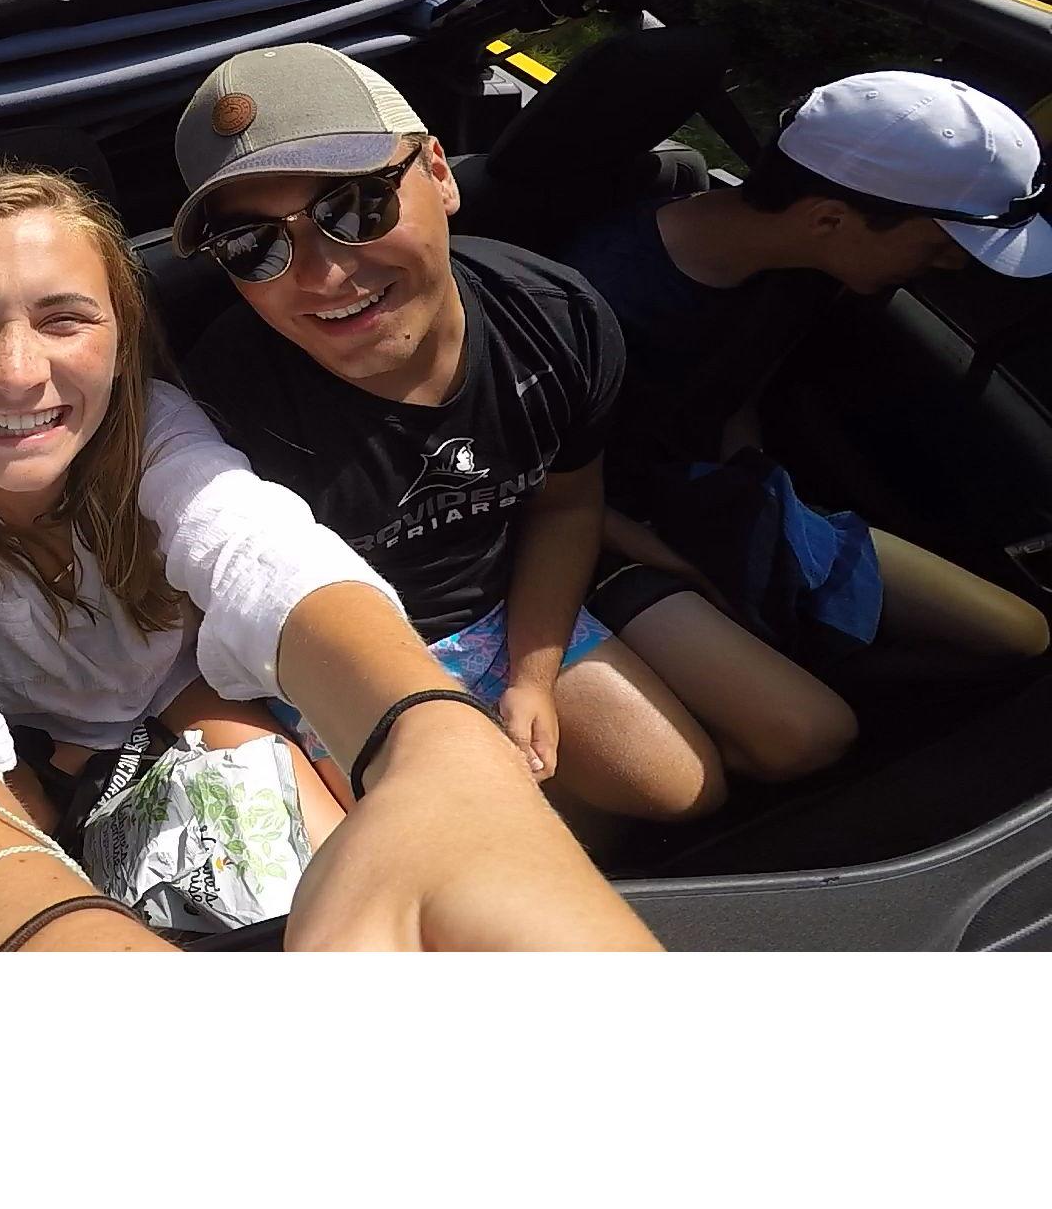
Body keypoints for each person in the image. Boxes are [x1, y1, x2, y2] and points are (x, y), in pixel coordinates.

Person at [0, 151, 658, 950]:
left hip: (191, 693)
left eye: (65, 319)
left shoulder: (157, 433)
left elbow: (260, 549)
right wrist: (28, 929)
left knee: (316, 876)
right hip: (15, 754)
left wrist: (436, 741)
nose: (18, 372)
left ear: (122, 341)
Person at [172, 42, 861, 818]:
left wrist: (531, 676)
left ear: (438, 174)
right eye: (254, 246)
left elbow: (565, 502)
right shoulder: (221, 407)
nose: (325, 274)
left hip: (503, 604)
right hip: (341, 653)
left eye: (354, 206)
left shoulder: (556, 320)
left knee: (693, 793)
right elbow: (212, 619)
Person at [557, 69, 1052, 672]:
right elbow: (537, 485)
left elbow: (738, 395)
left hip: (711, 497)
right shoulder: (597, 299)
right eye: (939, 247)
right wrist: (686, 570)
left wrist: (753, 497)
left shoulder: (807, 272)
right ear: (828, 219)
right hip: (592, 529)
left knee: (1022, 633)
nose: (951, 267)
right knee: (818, 705)